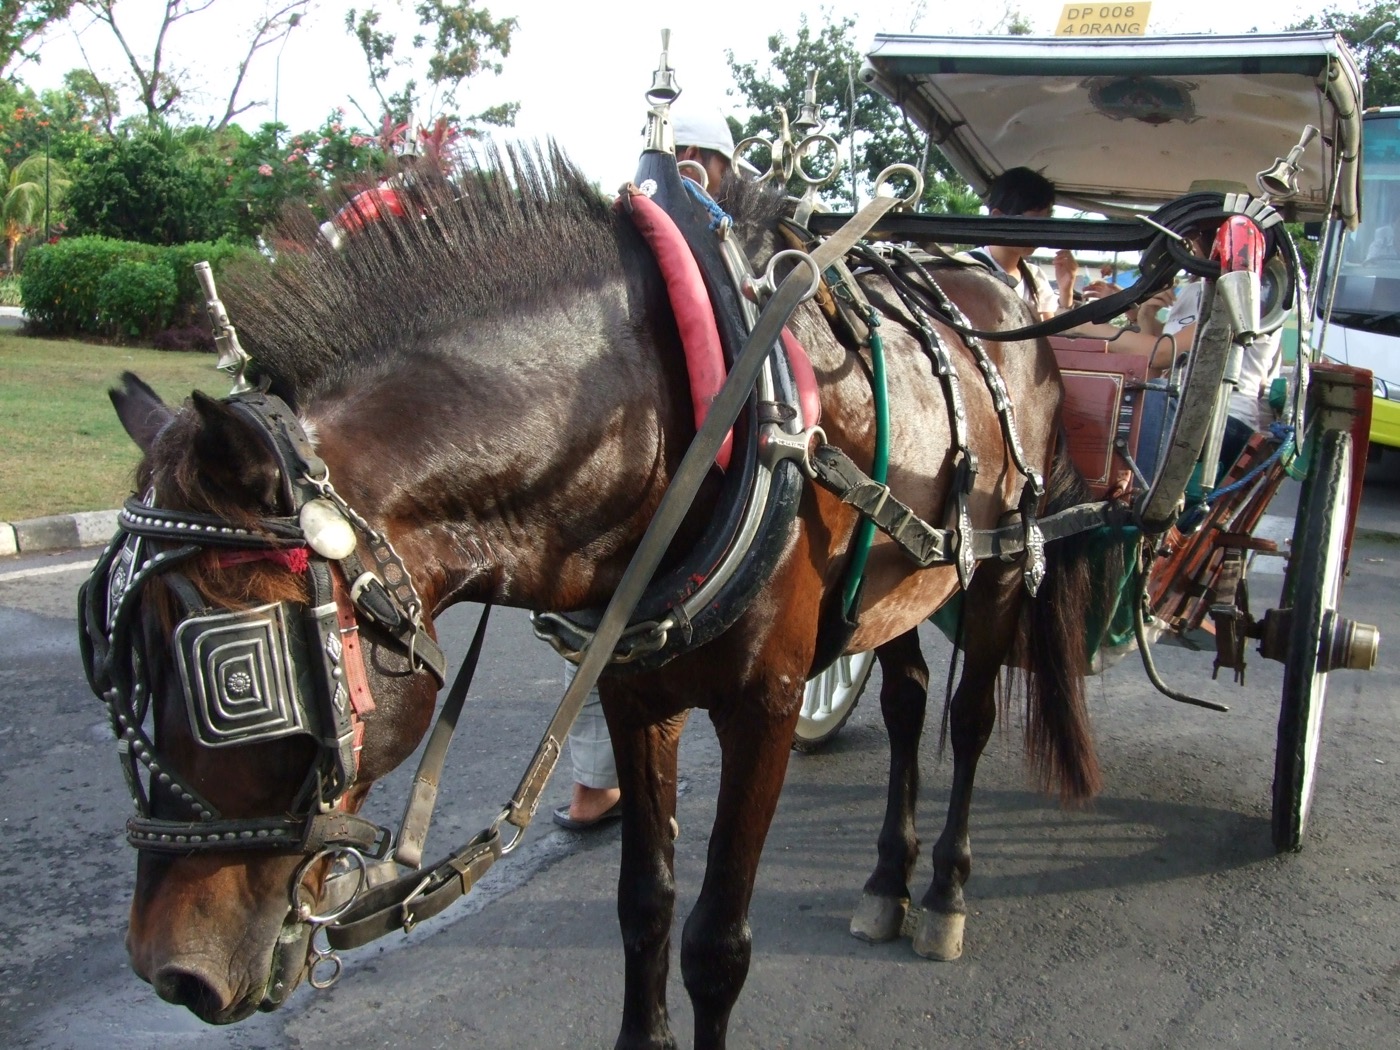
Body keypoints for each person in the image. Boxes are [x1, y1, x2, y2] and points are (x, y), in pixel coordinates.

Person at [553, 106, 743, 831]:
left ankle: (598, 782)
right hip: (671, 467)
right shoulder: (716, 237)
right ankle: (601, 779)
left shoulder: (610, 235)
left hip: (603, 463)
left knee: (597, 609)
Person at [962, 166, 1077, 321]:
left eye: (1045, 221)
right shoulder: (964, 268)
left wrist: (1066, 291)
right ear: (998, 217)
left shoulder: (1035, 278)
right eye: (1033, 221)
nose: (1040, 231)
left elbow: (1050, 338)